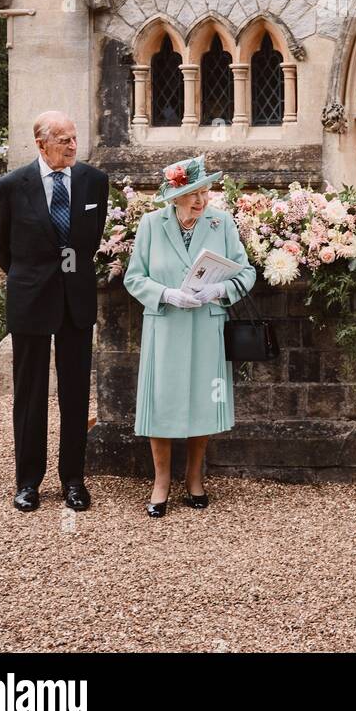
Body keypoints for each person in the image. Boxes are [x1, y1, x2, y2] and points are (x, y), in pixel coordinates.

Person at [122, 154, 256, 517]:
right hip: (165, 324)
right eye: (194, 192)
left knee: (202, 399)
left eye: (205, 190)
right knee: (161, 402)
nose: (201, 199)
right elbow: (134, 278)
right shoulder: (151, 224)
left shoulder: (221, 223)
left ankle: (194, 478)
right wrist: (166, 294)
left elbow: (246, 274)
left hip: (206, 324)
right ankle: (161, 481)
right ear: (174, 196)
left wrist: (218, 291)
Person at [0, 111, 109, 512]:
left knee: (75, 394)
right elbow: (1, 246)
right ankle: (27, 482)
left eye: (74, 138)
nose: (73, 146)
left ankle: (74, 479)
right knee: (30, 394)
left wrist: (66, 274)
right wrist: (35, 277)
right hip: (30, 300)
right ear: (41, 144)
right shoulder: (10, 186)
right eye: (64, 140)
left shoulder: (95, 181)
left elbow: (88, 242)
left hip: (76, 301)